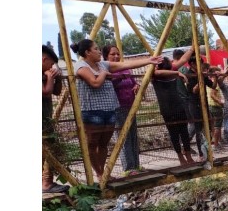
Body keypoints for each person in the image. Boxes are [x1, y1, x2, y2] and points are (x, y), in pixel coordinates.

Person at [70, 39, 162, 182]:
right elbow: (95, 83)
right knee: (92, 144)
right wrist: (104, 74)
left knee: (103, 144)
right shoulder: (81, 66)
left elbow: (125, 64)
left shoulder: (103, 65)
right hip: (92, 110)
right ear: (87, 52)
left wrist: (149, 60)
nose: (99, 52)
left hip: (109, 108)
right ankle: (99, 174)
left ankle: (103, 173)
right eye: (96, 49)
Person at [103, 45, 141, 175]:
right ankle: (128, 168)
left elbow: (133, 82)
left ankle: (136, 165)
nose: (116, 56)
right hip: (118, 107)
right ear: (106, 57)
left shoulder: (126, 69)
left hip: (130, 105)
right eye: (112, 54)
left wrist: (136, 85)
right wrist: (118, 78)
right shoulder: (107, 70)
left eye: (117, 54)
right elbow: (107, 86)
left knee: (133, 136)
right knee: (123, 137)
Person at [153, 58, 194, 165]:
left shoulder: (172, 76)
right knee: (174, 134)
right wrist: (176, 72)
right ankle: (181, 157)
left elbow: (182, 59)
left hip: (179, 107)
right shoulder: (155, 76)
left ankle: (188, 155)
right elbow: (156, 71)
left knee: (184, 132)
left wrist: (192, 49)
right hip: (167, 110)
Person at [42, 45, 67, 193]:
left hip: (46, 118)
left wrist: (57, 78)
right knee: (46, 150)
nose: (52, 67)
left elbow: (57, 92)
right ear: (44, 59)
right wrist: (50, 77)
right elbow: (46, 92)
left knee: (49, 149)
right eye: (51, 64)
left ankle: (47, 182)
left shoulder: (44, 74)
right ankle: (46, 184)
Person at [184, 56, 214, 161]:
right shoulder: (189, 75)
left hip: (204, 104)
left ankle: (208, 151)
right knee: (198, 129)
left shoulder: (201, 74)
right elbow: (194, 90)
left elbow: (213, 86)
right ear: (192, 64)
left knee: (208, 127)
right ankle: (201, 154)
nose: (201, 66)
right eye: (199, 63)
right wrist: (201, 79)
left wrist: (216, 77)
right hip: (194, 104)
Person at [206, 67, 225, 151]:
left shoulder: (209, 82)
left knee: (214, 125)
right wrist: (220, 102)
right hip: (216, 106)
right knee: (218, 126)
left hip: (210, 105)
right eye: (218, 73)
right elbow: (212, 94)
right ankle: (216, 144)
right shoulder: (215, 83)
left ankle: (217, 141)